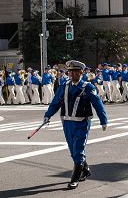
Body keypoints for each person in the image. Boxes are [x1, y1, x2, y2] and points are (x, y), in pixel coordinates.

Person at [44, 60, 108, 190]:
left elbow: (98, 104)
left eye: (74, 72)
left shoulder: (88, 87)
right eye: (70, 71)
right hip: (67, 122)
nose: (71, 74)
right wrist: (48, 115)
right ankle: (85, 169)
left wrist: (103, 120)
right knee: (73, 150)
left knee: (78, 149)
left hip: (82, 122)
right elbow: (56, 102)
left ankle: (75, 178)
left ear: (81, 72)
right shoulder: (64, 85)